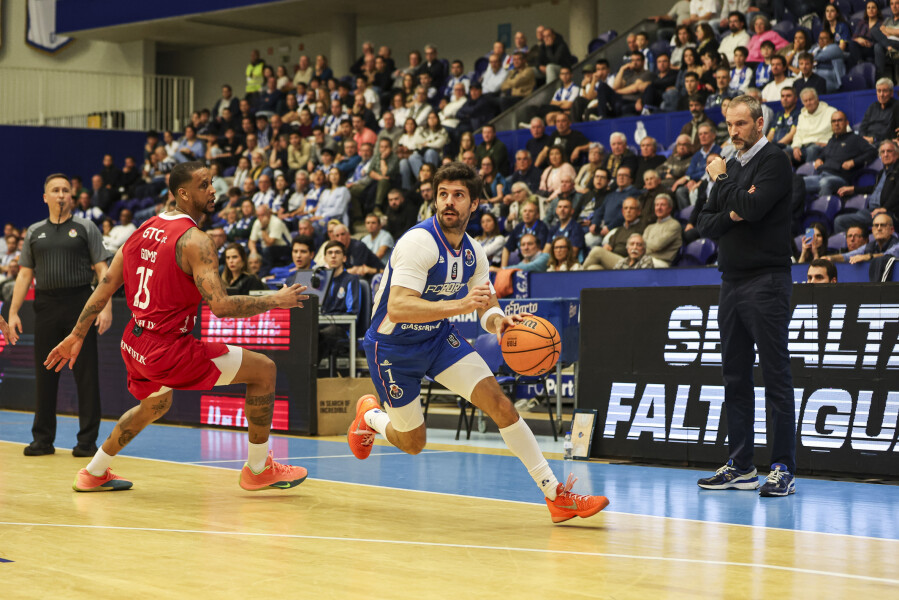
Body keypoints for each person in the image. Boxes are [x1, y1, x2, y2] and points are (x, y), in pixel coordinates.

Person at [346, 161, 607, 522]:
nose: (448, 202)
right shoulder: (419, 243)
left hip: (437, 339)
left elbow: (486, 305)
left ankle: (555, 494)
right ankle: (371, 416)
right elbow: (399, 307)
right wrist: (460, 305)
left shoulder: (474, 252)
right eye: (442, 194)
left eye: (458, 195)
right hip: (392, 349)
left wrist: (499, 321)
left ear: (474, 203)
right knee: (413, 443)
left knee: (500, 405)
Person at [45, 161, 310, 492]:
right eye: (204, 185)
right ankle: (258, 469)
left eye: (212, 182)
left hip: (134, 343)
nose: (213, 190)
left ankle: (93, 472)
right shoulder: (196, 241)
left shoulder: (143, 229)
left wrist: (77, 333)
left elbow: (107, 284)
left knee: (155, 405)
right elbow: (221, 306)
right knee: (264, 370)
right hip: (168, 349)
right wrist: (275, 300)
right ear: (183, 193)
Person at [696, 94, 797, 497]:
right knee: (735, 377)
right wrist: (732, 210)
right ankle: (741, 466)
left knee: (775, 375)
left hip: (767, 280)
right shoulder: (733, 164)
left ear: (759, 123)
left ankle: (783, 468)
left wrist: (723, 183)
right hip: (731, 281)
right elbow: (704, 222)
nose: (733, 132)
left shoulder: (774, 160)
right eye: (729, 125)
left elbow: (753, 208)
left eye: (740, 124)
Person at [7, 174, 112, 457]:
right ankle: (42, 440)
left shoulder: (86, 227)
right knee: (45, 373)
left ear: (71, 196)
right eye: (55, 190)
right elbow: (24, 274)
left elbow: (103, 270)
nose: (61, 194)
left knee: (86, 375)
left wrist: (105, 306)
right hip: (46, 307)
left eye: (66, 190)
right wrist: (13, 311)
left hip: (80, 305)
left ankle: (87, 442)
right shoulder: (34, 231)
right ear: (46, 197)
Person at [803, 111, 877, 197]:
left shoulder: (855, 139)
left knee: (825, 183)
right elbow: (824, 152)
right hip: (821, 175)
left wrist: (854, 162)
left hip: (840, 178)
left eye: (840, 120)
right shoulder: (831, 140)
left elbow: (872, 151)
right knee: (800, 182)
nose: (836, 124)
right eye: (834, 121)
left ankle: (824, 205)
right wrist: (819, 159)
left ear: (846, 123)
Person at [835, 140, 899, 233]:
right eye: (882, 152)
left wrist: (885, 208)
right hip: (871, 211)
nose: (885, 155)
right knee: (844, 219)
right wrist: (854, 189)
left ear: (897, 154)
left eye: (889, 151)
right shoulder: (882, 172)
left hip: (887, 213)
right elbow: (875, 189)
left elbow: (897, 192)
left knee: (840, 221)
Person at [582, 197, 646, 270]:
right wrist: (607, 247)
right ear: (622, 212)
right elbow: (609, 246)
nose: (628, 211)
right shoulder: (620, 229)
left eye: (632, 208)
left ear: (639, 211)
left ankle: (578, 273)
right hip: (614, 261)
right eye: (626, 208)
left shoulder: (642, 228)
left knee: (597, 251)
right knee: (593, 268)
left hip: (629, 262)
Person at [827, 213, 898, 263]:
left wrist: (868, 257)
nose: (879, 228)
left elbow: (888, 255)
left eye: (883, 225)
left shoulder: (897, 245)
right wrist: (831, 258)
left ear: (891, 230)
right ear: (872, 230)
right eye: (876, 225)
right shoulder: (870, 246)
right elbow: (849, 255)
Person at [858, 78, 899, 146]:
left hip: (885, 142)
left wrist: (874, 139)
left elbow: (891, 132)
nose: (881, 95)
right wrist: (864, 138)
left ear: (891, 93)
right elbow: (862, 127)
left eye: (885, 91)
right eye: (879, 91)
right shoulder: (873, 107)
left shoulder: (897, 107)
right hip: (868, 141)